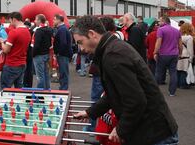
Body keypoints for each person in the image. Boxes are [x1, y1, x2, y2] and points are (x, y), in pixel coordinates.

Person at [72, 16, 178, 145]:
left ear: (91, 34)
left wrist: (121, 129)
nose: (81, 48)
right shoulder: (111, 48)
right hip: (151, 130)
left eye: (80, 42)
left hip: (155, 134)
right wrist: (91, 112)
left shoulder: (113, 55)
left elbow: (136, 100)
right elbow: (114, 93)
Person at [0, 12, 31, 89]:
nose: (10, 23)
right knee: (18, 90)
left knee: (5, 89)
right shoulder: (27, 32)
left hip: (11, 64)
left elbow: (6, 50)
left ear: (14, 19)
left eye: (10, 21)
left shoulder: (13, 32)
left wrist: (2, 43)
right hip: (22, 63)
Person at [154, 16, 182, 96]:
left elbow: (158, 42)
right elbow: (180, 44)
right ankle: (172, 92)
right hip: (174, 54)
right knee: (173, 73)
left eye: (160, 21)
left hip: (163, 54)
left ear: (164, 21)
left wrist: (155, 52)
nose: (158, 23)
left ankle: (155, 92)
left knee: (158, 72)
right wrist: (180, 53)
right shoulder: (177, 30)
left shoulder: (160, 29)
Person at [32, 14, 53, 89]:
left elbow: (36, 45)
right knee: (46, 73)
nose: (34, 21)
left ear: (39, 21)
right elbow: (50, 43)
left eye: (36, 19)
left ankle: (40, 92)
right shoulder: (48, 29)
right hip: (46, 54)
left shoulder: (39, 31)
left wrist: (33, 54)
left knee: (40, 76)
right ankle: (47, 89)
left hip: (39, 55)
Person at [53, 14, 72, 90]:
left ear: (58, 20)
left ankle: (63, 89)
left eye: (54, 19)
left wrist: (58, 52)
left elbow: (63, 43)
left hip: (63, 55)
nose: (53, 21)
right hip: (63, 54)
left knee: (63, 72)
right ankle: (63, 88)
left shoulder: (62, 29)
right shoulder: (62, 29)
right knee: (62, 72)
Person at [177, 23, 193, 89]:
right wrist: (191, 57)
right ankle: (183, 84)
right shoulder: (189, 37)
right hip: (186, 55)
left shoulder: (178, 36)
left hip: (178, 54)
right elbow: (190, 49)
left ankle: (177, 84)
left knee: (178, 70)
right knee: (184, 70)